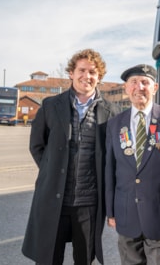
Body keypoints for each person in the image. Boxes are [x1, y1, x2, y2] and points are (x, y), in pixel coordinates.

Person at [22, 49, 121, 264]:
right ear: (71, 73)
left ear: (99, 76)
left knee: (84, 258)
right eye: (82, 70)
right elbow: (37, 146)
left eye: (92, 72)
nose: (87, 76)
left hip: (88, 202)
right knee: (48, 258)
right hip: (53, 198)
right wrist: (52, 171)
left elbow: (113, 156)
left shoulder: (111, 111)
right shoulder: (50, 105)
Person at [105, 64, 160, 265]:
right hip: (125, 213)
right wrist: (110, 210)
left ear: (155, 88)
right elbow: (109, 169)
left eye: (145, 82)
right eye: (134, 82)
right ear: (126, 88)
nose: (139, 87)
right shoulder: (115, 124)